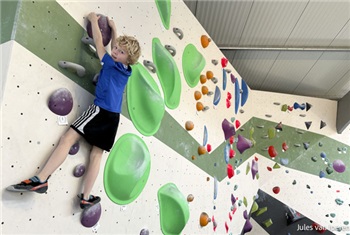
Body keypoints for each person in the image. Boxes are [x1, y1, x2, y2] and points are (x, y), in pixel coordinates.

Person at [7, 12, 141, 209]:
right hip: (113, 119)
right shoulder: (125, 70)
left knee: (67, 139)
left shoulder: (112, 63)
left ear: (127, 58)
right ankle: (86, 197)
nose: (116, 52)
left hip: (99, 111)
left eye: (121, 52)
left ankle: (41, 178)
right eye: (118, 49)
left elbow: (99, 43)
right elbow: (115, 49)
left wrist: (95, 22)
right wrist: (113, 30)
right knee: (96, 155)